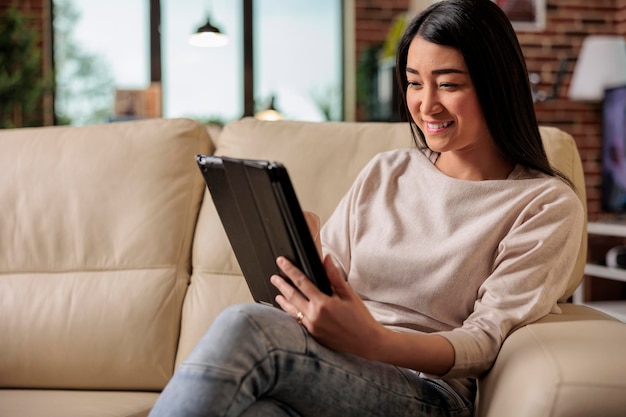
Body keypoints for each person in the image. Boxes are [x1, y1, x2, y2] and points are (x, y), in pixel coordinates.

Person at [148, 0, 583, 416]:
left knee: (247, 325)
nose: (426, 105)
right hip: (335, 366)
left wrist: (374, 341)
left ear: (496, 85)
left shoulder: (544, 205)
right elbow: (331, 293)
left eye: (448, 84)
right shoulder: (387, 170)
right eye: (414, 82)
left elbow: (485, 341)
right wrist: (305, 261)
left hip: (426, 390)